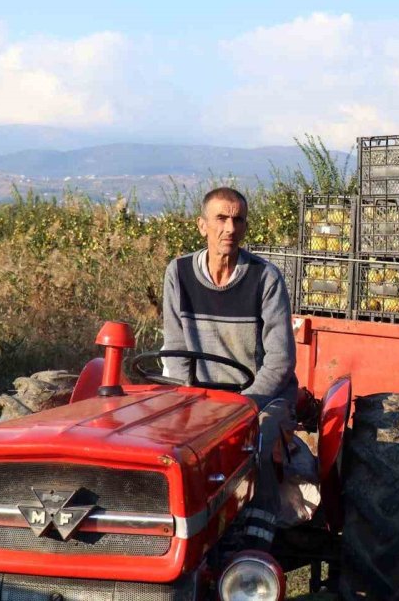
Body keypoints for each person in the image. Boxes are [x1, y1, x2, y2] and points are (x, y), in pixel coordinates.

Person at [161, 186, 297, 551]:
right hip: (201, 395)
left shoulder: (265, 278)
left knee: (257, 444)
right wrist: (182, 401)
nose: (229, 228)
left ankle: (256, 544)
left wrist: (245, 405)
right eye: (221, 218)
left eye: (237, 220)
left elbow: (280, 360)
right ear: (202, 226)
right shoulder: (178, 274)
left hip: (259, 397)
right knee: (167, 448)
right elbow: (175, 349)